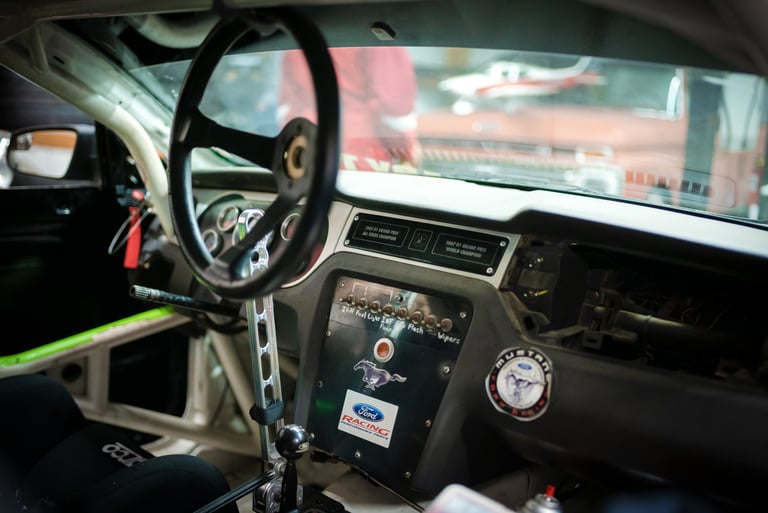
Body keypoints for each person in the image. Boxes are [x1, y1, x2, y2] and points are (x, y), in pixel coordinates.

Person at [278, 46, 420, 172]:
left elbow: (287, 107)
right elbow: (395, 105)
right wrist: (406, 150)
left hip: (307, 152)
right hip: (361, 153)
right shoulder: (377, 31)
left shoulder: (299, 36)